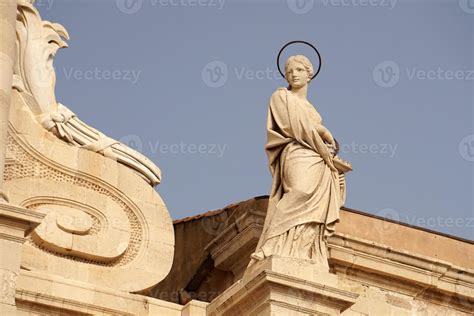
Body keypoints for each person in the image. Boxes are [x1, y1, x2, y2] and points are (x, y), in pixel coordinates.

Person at [250, 55, 344, 269]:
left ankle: (303, 249)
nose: (294, 74)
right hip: (296, 151)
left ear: (309, 74)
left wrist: (328, 149)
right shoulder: (280, 96)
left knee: (314, 207)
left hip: (317, 159)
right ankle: (271, 242)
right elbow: (291, 125)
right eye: (289, 71)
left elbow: (312, 130)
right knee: (299, 192)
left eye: (299, 70)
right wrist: (321, 131)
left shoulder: (312, 109)